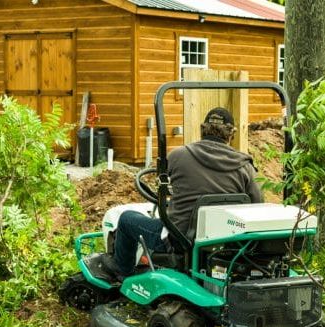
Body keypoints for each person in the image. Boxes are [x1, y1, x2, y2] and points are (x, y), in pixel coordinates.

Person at [98, 107, 262, 282]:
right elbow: (258, 204)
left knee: (126, 219)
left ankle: (123, 270)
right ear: (231, 135)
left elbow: (164, 184)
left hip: (180, 240)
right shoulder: (245, 166)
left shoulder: (177, 156)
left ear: (202, 129)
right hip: (227, 243)